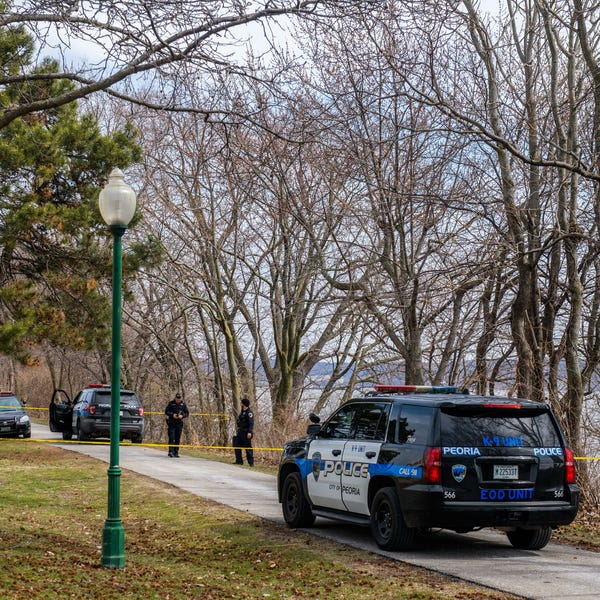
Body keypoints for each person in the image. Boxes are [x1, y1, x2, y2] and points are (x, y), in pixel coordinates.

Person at [165, 392, 189, 457]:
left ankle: (176, 452)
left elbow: (187, 413)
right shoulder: (171, 403)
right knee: (171, 437)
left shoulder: (183, 404)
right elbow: (166, 412)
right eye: (177, 398)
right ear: (175, 398)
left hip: (179, 423)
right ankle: (170, 452)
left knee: (177, 438)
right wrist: (172, 415)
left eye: (179, 398)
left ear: (181, 398)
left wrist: (182, 416)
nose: (178, 400)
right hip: (172, 423)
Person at [233, 398, 254, 466]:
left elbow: (251, 423)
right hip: (240, 432)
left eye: (241, 402)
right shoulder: (242, 411)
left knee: (248, 447)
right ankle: (239, 461)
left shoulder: (249, 413)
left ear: (244, 404)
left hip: (246, 432)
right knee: (236, 444)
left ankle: (251, 463)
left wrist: (250, 432)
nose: (240, 403)